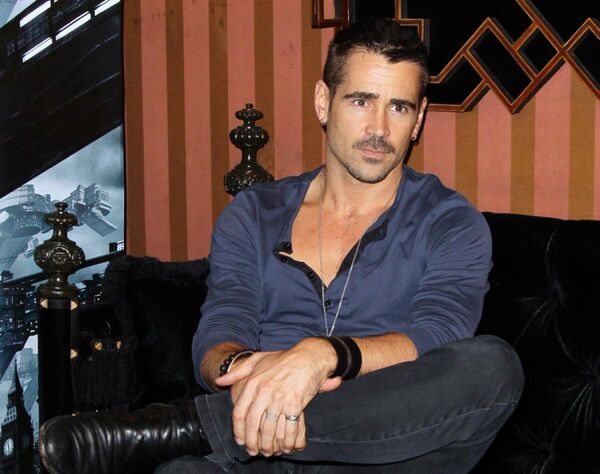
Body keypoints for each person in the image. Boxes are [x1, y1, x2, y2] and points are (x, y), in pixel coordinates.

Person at [40, 17, 523, 474]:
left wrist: (322, 356)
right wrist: (255, 370)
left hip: (392, 451)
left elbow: (437, 334)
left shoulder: (449, 221)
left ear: (418, 120)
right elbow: (219, 337)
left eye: (399, 107)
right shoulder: (254, 214)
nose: (379, 129)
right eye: (361, 101)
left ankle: (188, 430)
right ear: (323, 102)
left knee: (493, 367)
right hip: (260, 447)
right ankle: (213, 436)